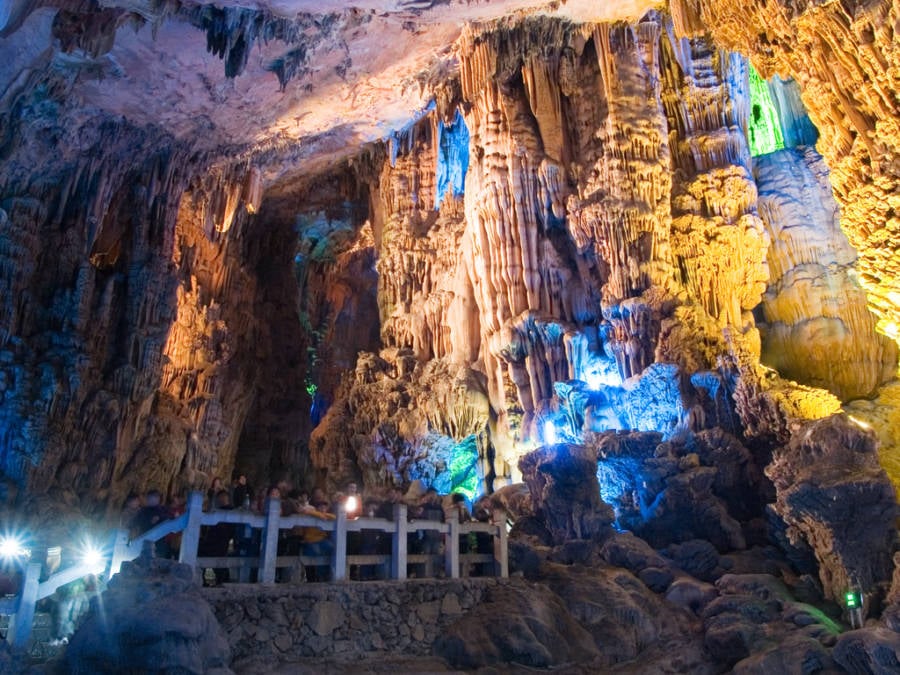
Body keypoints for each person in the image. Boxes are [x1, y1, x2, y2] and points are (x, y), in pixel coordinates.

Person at [199, 489, 235, 586]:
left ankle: (222, 580)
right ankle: (206, 579)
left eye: (223, 497)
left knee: (218, 558)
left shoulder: (231, 511)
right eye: (220, 497)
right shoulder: (216, 510)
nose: (221, 499)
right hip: (213, 539)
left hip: (222, 539)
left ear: (227, 498)